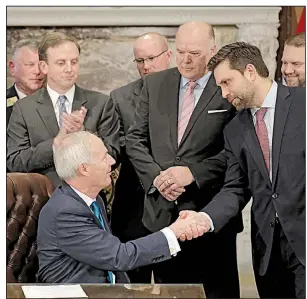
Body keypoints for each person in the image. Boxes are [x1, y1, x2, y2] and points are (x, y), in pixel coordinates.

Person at [125, 21, 241, 298]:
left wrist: (192, 173)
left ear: (212, 51)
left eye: (195, 53)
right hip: (160, 215)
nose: (186, 60)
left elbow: (237, 151)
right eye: (181, 52)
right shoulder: (154, 83)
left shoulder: (226, 86)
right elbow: (135, 139)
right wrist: (157, 178)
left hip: (210, 216)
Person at [180, 42, 305, 299]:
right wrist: (205, 218)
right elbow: (236, 188)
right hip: (269, 255)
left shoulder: (303, 104)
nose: (223, 93)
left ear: (250, 71)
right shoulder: (234, 129)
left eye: (227, 82)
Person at [36, 131, 209, 283]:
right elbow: (119, 257)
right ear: (84, 169)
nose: (112, 161)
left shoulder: (92, 199)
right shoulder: (65, 212)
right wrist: (175, 231)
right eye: (104, 157)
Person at [7, 32, 120, 188]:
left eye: (74, 62)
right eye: (61, 63)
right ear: (44, 66)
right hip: (42, 201)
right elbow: (14, 162)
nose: (69, 69)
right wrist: (56, 144)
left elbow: (113, 155)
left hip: (88, 199)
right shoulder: (24, 108)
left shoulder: (101, 103)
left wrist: (83, 135)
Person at [110, 32, 172, 283]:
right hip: (133, 199)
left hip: (174, 199)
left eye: (151, 58)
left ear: (168, 56)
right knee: (133, 282)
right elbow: (117, 142)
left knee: (175, 279)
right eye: (139, 61)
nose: (146, 66)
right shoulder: (120, 97)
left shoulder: (185, 91)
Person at [7, 39, 45, 126]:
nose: (37, 71)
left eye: (41, 65)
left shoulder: (57, 101)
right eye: (30, 65)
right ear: (13, 68)